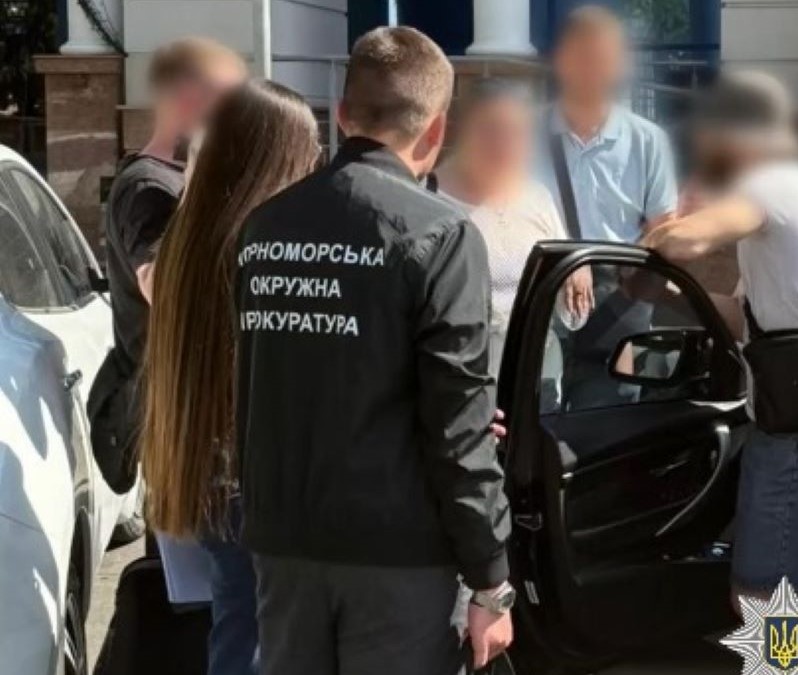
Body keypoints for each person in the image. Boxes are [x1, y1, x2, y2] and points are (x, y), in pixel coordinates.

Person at [235, 27, 513, 675]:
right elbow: (458, 426)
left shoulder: (264, 227)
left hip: (284, 544)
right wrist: (490, 578)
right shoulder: (442, 234)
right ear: (437, 129)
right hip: (397, 558)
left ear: (341, 114)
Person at [642, 72, 798, 671]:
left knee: (764, 595)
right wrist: (674, 297)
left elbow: (682, 243)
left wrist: (672, 221)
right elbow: (749, 319)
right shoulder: (797, 188)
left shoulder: (769, 183)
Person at [140, 79, 320, 675]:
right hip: (263, 481)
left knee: (238, 626)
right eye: (308, 153)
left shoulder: (186, 243)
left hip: (210, 475)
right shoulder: (260, 249)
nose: (316, 167)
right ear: (274, 160)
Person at [88, 37, 245, 493]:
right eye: (229, 100)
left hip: (188, 415)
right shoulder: (150, 188)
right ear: (188, 99)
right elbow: (160, 283)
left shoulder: (170, 180)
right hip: (179, 422)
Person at [436, 80, 592, 375]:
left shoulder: (537, 197)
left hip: (535, 376)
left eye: (517, 132)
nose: (504, 144)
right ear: (462, 131)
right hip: (461, 379)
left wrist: (576, 269)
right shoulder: (429, 200)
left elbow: (570, 308)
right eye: (491, 129)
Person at [538, 4, 678, 242]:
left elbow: (662, 231)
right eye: (582, 56)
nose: (590, 69)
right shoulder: (521, 135)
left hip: (619, 264)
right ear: (560, 60)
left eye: (601, 57)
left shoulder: (648, 141)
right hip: (543, 265)